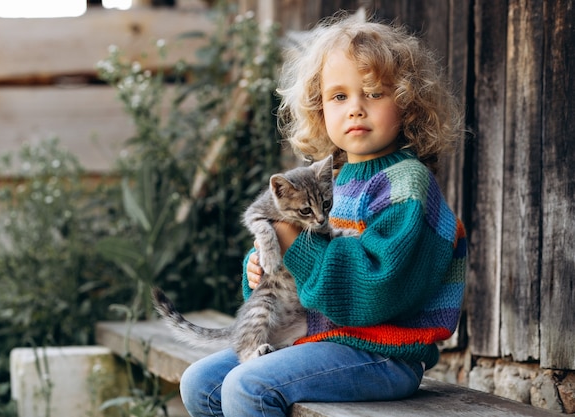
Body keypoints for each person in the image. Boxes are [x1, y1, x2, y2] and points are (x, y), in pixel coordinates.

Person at [179, 10, 467, 417]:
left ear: (407, 104)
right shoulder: (332, 179)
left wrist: (293, 244)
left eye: (374, 92)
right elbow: (297, 271)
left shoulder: (407, 184)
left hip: (383, 350)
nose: (356, 108)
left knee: (249, 387)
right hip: (320, 336)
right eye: (339, 96)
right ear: (319, 109)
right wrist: (261, 267)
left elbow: (375, 292)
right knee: (201, 383)